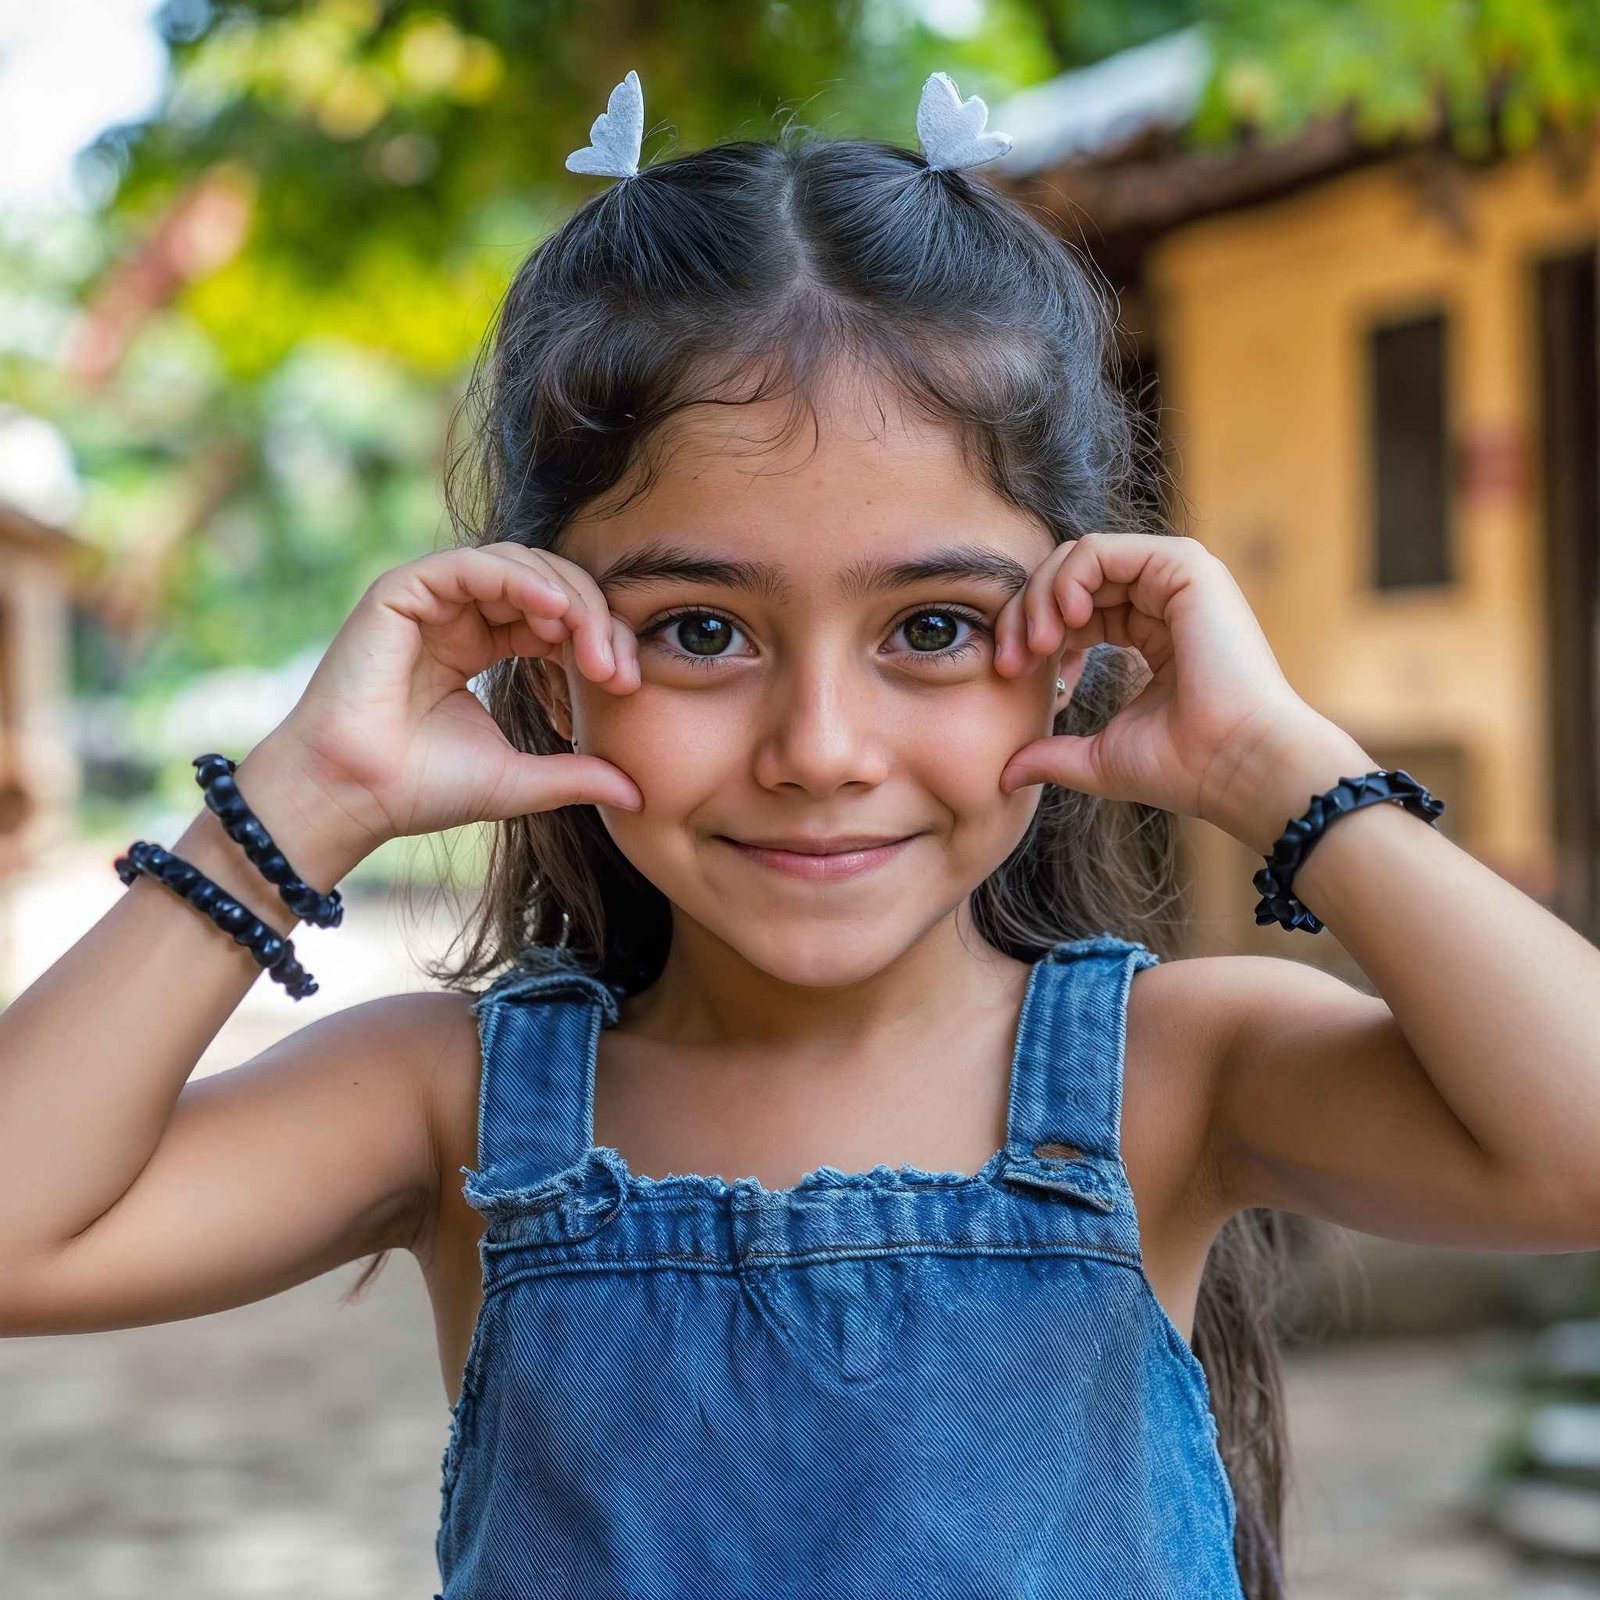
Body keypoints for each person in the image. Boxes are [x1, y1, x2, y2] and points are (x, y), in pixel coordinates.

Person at [2, 66, 1598, 1600]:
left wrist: (1284, 769)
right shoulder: (450, 1105)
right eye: (701, 631)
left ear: (1086, 629)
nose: (821, 752)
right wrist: (302, 797)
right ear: (544, 655)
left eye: (933, 628)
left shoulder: (1175, 1074)